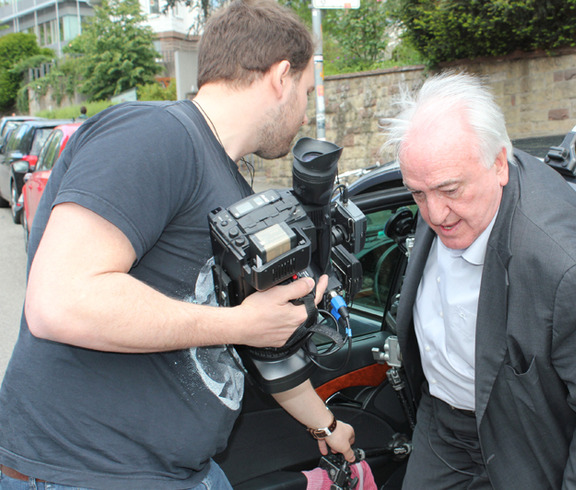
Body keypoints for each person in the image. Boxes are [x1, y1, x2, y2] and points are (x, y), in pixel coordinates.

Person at [0, 1, 355, 489]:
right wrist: (241, 322)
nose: (306, 111)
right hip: (85, 473)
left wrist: (326, 423)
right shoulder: (154, 136)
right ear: (280, 76)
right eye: (308, 91)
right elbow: (60, 301)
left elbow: (254, 344)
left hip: (180, 472)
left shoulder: (231, 189)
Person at [381, 72, 576, 488]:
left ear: (499, 164)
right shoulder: (447, 183)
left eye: (449, 190)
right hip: (441, 426)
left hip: (524, 442)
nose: (435, 215)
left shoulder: (565, 268)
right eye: (418, 194)